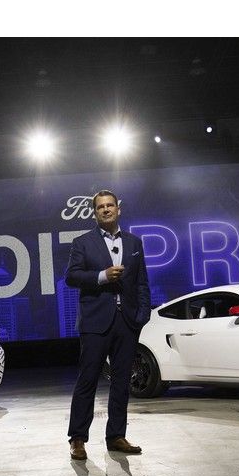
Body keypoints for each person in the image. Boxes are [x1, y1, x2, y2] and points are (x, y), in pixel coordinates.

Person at [65, 189, 152, 460]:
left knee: (122, 382)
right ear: (95, 212)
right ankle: (78, 439)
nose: (105, 210)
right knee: (87, 380)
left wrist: (141, 316)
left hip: (126, 322)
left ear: (118, 209)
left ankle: (116, 436)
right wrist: (102, 276)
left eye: (110, 205)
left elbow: (141, 282)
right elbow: (71, 276)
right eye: (100, 206)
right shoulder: (83, 242)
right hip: (95, 322)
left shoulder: (134, 242)